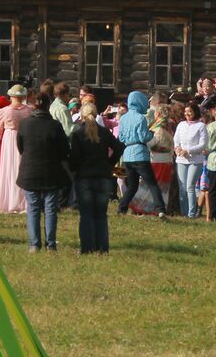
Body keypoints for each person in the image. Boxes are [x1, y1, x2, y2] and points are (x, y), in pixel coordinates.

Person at [16, 93, 70, 251]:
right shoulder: (55, 125)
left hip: (30, 170)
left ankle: (34, 244)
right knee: (50, 208)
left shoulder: (25, 124)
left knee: (33, 208)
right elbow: (64, 150)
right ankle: (51, 244)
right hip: (51, 171)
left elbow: (20, 147)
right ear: (48, 106)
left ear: (33, 105)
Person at [70, 102, 124, 253]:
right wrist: (110, 163)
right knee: (101, 214)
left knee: (86, 214)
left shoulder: (78, 134)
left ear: (82, 116)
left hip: (84, 177)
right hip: (103, 176)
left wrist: (75, 168)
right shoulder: (105, 132)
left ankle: (87, 248)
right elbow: (119, 147)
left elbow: (74, 157)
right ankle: (102, 247)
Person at [116, 90, 166, 218]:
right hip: (140, 153)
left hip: (127, 155)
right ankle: (161, 209)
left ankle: (121, 208)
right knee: (152, 183)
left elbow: (121, 138)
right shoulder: (140, 118)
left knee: (132, 186)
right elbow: (144, 137)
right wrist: (152, 134)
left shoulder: (123, 118)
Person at [0, 85, 34, 214]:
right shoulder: (30, 110)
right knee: (22, 167)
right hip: (25, 137)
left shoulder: (4, 111)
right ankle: (23, 201)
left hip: (10, 138)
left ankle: (9, 201)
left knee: (9, 168)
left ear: (11, 96)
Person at [174, 101, 208, 218]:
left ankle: (191, 213)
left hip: (195, 160)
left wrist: (188, 150)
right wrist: (177, 148)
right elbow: (176, 139)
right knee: (182, 187)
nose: (187, 114)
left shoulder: (201, 126)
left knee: (190, 186)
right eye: (186, 111)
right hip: (181, 160)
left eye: (190, 111)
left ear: (195, 112)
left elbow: (203, 144)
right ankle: (184, 212)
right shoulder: (181, 125)